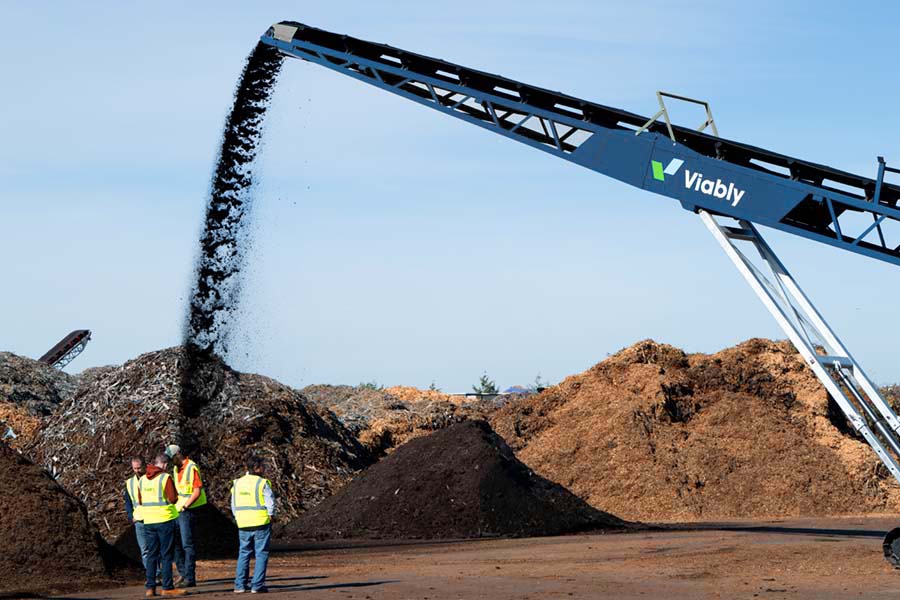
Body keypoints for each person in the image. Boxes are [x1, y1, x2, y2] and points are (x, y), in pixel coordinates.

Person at [138, 453, 185, 597]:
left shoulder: (142, 479)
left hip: (148, 522)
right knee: (166, 555)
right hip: (164, 520)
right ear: (164, 464)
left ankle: (150, 588)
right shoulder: (165, 478)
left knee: (151, 555)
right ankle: (167, 587)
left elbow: (140, 500)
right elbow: (173, 498)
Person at [231, 455, 276, 594]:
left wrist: (238, 517)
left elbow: (233, 504)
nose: (264, 468)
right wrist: (271, 515)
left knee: (244, 553)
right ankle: (257, 585)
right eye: (262, 466)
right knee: (261, 554)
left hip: (243, 523)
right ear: (257, 468)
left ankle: (239, 585)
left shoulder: (237, 483)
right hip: (260, 522)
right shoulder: (262, 483)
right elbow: (270, 502)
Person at [165, 444, 207, 588]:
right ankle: (183, 573)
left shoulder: (191, 467)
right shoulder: (176, 469)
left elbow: (197, 492)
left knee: (187, 544)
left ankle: (190, 577)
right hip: (178, 509)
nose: (170, 462)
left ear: (178, 454)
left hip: (188, 510)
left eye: (171, 458)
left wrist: (185, 506)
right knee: (175, 543)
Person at [124, 457, 150, 570]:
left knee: (155, 548)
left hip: (153, 518)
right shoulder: (130, 483)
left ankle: (159, 572)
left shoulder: (152, 479)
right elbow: (128, 502)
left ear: (144, 466)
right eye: (134, 468)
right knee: (144, 550)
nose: (137, 471)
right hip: (139, 520)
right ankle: (153, 574)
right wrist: (131, 517)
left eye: (139, 468)